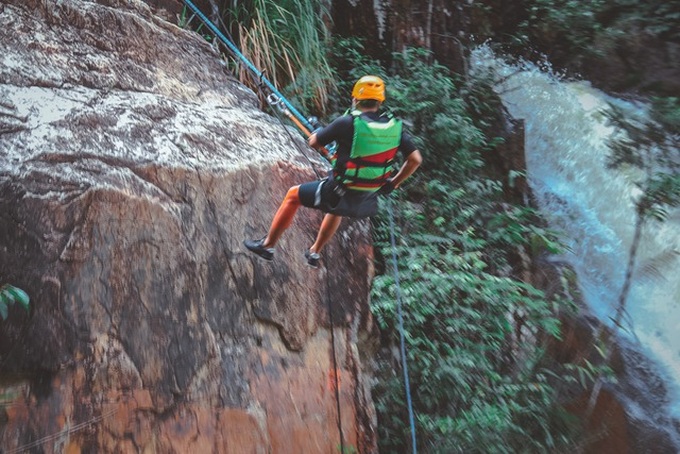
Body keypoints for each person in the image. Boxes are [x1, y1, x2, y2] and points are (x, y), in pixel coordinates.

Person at [244, 75, 422, 268]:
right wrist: (394, 183)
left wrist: (320, 131)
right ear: (380, 101)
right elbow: (415, 160)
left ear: (355, 99)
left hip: (339, 190)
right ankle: (314, 252)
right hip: (368, 197)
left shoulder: (346, 122)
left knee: (293, 195)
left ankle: (268, 245)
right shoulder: (394, 127)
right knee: (336, 206)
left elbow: (314, 142)